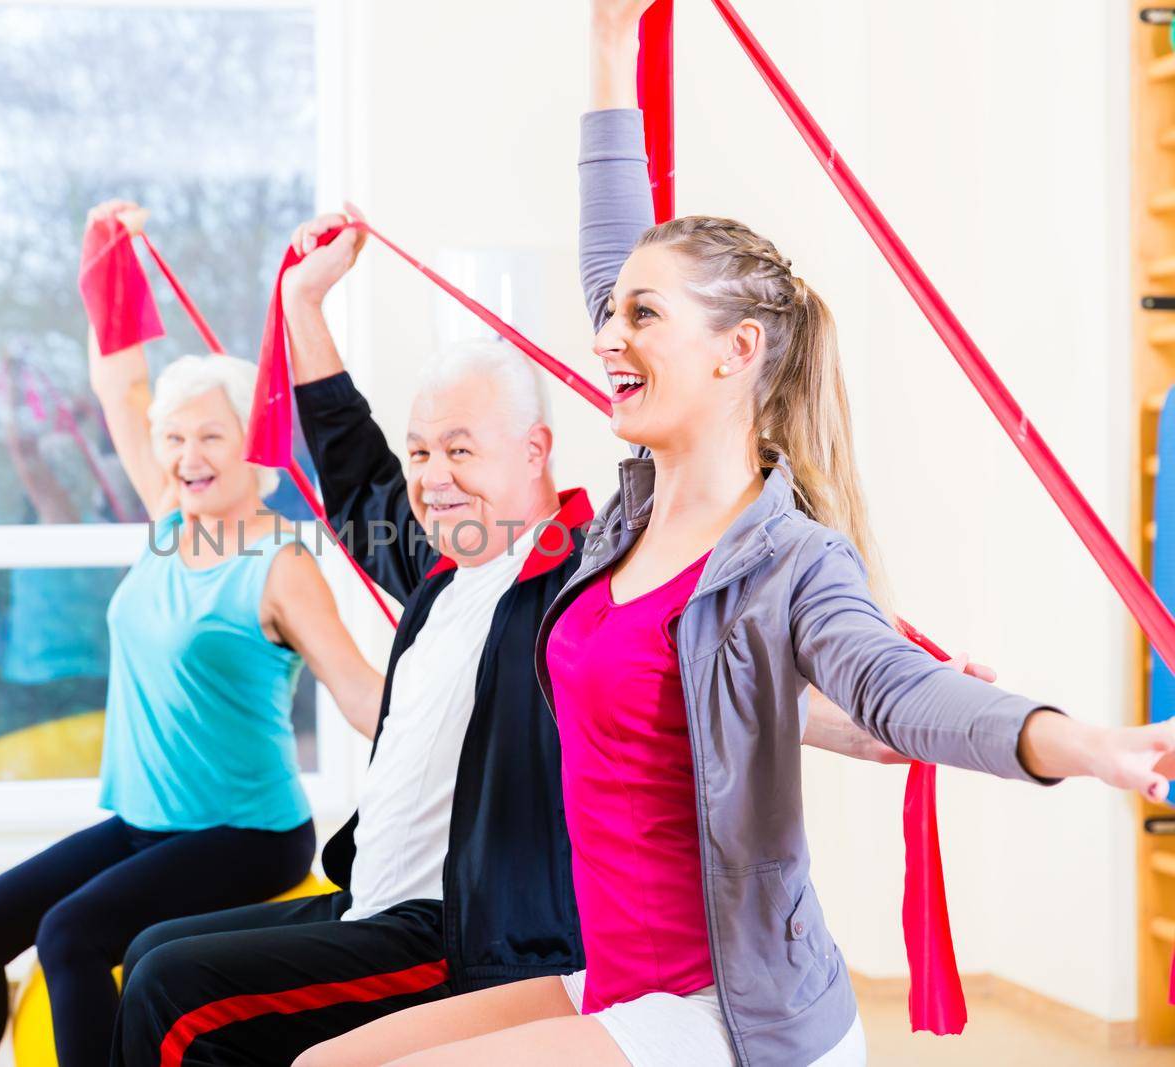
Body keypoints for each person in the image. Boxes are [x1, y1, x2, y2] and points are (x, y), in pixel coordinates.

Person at [295, 3, 1175, 1065]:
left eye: (640, 318)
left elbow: (901, 687)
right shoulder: (624, 521)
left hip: (724, 1011)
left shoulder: (789, 557)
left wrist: (1097, 744)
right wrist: (612, 44)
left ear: (734, 352)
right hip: (614, 972)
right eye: (610, 313)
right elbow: (616, 243)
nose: (607, 333)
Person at [108, 205, 902, 1066]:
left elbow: (719, 659)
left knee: (171, 993)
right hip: (366, 898)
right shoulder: (450, 563)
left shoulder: (577, 584)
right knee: (151, 951)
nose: (432, 477)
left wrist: (865, 719)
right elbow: (352, 471)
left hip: (463, 933)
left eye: (459, 450)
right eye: (420, 453)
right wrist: (304, 307)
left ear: (535, 451)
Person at [0, 202, 384, 1067]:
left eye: (211, 438)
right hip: (144, 822)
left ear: (257, 449)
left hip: (246, 835)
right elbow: (120, 385)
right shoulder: (167, 517)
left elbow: (353, 688)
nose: (186, 455)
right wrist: (108, 265)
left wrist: (461, 736)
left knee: (70, 936)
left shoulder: (278, 564)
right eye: (175, 438)